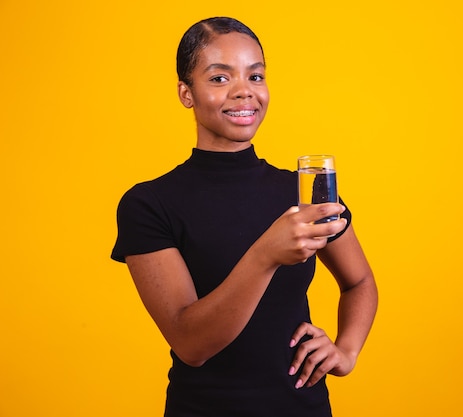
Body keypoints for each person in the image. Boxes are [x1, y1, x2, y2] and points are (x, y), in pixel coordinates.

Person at [111, 16, 377, 417]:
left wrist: (346, 351)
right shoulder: (148, 204)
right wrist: (265, 254)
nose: (244, 93)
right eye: (220, 79)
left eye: (255, 77)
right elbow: (191, 345)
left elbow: (359, 282)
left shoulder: (302, 192)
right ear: (187, 93)